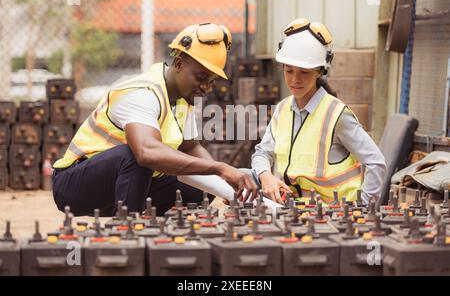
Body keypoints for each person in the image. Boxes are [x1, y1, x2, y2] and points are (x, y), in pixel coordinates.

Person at [52, 23, 257, 216]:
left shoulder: (183, 100)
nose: (206, 88)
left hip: (127, 186)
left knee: (203, 187)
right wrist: (220, 168)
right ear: (178, 63)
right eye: (201, 78)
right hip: (75, 186)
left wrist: (223, 183)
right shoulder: (142, 92)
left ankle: (161, 230)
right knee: (137, 155)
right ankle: (129, 229)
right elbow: (146, 152)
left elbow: (190, 148)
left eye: (211, 82)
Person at [251, 18, 386, 205]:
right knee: (242, 176)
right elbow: (262, 153)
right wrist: (265, 175)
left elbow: (376, 162)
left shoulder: (336, 115)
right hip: (293, 211)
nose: (294, 80)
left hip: (335, 216)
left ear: (319, 72)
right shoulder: (282, 109)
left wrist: (362, 208)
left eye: (304, 72)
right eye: (289, 71)